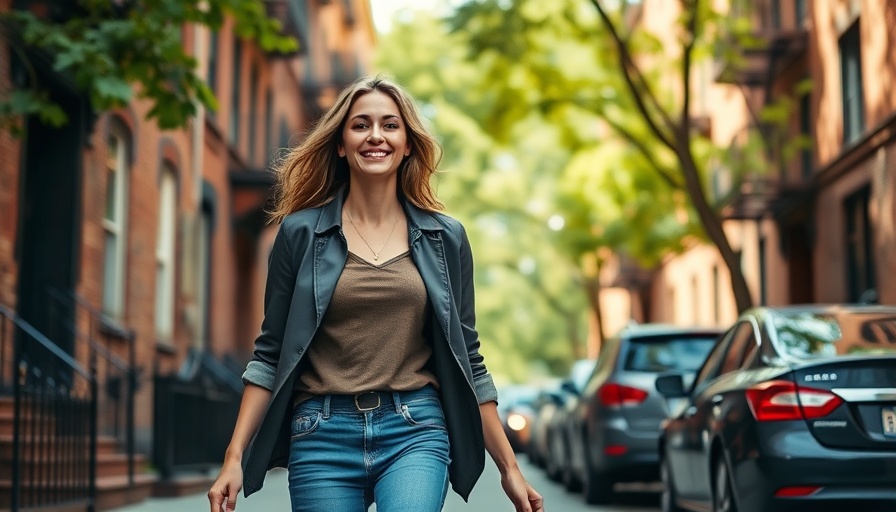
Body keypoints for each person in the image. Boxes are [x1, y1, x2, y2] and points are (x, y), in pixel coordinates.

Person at [207, 75, 544, 512]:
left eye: (390, 125)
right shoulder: (299, 234)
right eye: (360, 125)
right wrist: (233, 458)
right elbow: (270, 354)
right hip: (321, 435)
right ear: (340, 144)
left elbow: (469, 360)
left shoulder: (445, 239)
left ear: (408, 145)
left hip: (415, 429)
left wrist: (509, 468)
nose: (375, 136)